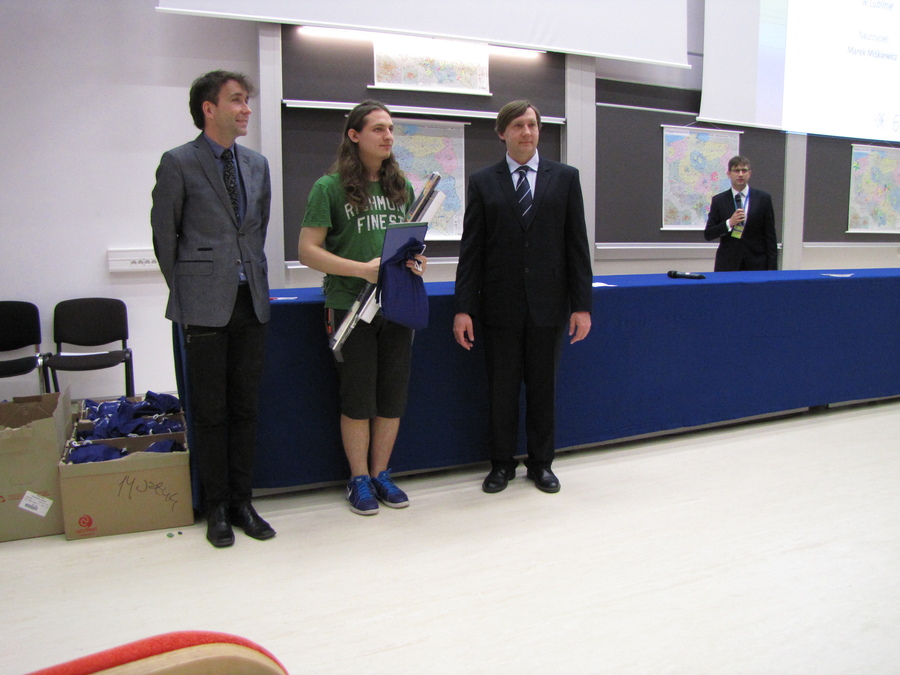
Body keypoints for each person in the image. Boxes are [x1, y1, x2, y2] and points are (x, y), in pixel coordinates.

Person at [151, 70, 275, 548]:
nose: (246, 109)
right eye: (237, 100)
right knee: (210, 411)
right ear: (209, 108)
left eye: (246, 100)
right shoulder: (179, 162)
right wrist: (189, 289)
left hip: (251, 301)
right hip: (203, 304)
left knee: (245, 407)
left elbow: (256, 230)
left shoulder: (257, 164)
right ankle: (216, 506)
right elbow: (165, 236)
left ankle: (243, 501)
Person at [453, 100, 593, 494]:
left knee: (543, 389)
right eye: (517, 125)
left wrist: (582, 305)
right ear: (502, 133)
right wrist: (463, 309)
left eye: (532, 124)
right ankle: (501, 465)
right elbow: (472, 251)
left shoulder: (565, 178)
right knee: (502, 391)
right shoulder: (484, 181)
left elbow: (577, 246)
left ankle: (541, 464)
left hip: (549, 306)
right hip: (499, 307)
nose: (526, 132)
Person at [298, 100, 427, 516]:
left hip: (396, 305)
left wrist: (416, 262)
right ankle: (358, 479)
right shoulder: (328, 188)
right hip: (350, 307)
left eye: (390, 129)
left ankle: (381, 474)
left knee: (392, 397)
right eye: (378, 129)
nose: (388, 136)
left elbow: (406, 244)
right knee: (358, 399)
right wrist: (361, 270)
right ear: (354, 136)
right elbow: (307, 250)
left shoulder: (400, 186)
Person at [704, 155, 778, 271]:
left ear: (750, 173)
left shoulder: (763, 199)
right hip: (728, 263)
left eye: (744, 170)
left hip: (756, 262)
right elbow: (709, 234)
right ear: (729, 174)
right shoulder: (719, 200)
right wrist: (729, 223)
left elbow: (770, 235)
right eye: (736, 170)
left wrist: (772, 269)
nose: (740, 174)